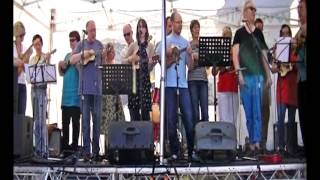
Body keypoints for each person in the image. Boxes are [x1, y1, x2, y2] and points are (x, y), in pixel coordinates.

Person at [232, 0, 272, 155]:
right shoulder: (239, 33)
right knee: (249, 111)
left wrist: (268, 76)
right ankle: (252, 139)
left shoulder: (258, 33)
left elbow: (263, 56)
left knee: (258, 111)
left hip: (258, 77)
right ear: (245, 12)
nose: (254, 11)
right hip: (245, 76)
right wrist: (238, 73)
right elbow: (235, 55)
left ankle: (256, 142)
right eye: (251, 9)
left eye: (255, 9)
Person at [70, 20, 106, 161]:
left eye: (95, 30)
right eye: (91, 30)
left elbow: (104, 63)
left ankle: (96, 152)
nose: (93, 32)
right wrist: (83, 54)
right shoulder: (81, 44)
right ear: (86, 31)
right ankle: (86, 152)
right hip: (84, 89)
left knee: (96, 121)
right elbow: (72, 60)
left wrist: (106, 55)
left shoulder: (99, 45)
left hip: (97, 89)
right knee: (85, 122)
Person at [164, 11, 196, 161]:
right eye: (178, 22)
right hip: (169, 85)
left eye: (181, 22)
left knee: (189, 118)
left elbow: (190, 66)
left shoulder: (185, 42)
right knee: (171, 120)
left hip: (183, 85)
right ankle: (175, 151)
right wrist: (173, 56)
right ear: (171, 23)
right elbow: (163, 64)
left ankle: (191, 151)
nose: (180, 25)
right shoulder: (165, 41)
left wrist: (189, 54)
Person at [271, 24, 298, 156]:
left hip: (292, 89)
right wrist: (278, 66)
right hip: (281, 90)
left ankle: (291, 147)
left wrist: (290, 65)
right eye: (283, 34)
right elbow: (273, 69)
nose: (285, 36)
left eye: (287, 33)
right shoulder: (278, 49)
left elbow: (298, 66)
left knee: (292, 120)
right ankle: (281, 147)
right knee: (280, 119)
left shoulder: (295, 49)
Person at [122, 18, 156, 121]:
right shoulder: (133, 45)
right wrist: (131, 59)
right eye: (139, 27)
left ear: (146, 29)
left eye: (143, 26)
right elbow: (123, 61)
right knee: (134, 112)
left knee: (145, 113)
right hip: (134, 80)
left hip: (145, 80)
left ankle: (145, 136)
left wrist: (152, 63)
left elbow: (149, 68)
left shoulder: (150, 46)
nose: (141, 29)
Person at [100, 42, 125, 156]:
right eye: (112, 51)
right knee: (107, 124)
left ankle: (117, 149)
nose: (113, 53)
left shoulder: (116, 65)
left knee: (117, 122)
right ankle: (107, 150)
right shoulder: (104, 65)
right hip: (107, 98)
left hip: (115, 98)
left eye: (114, 51)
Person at [58, 31, 81, 154]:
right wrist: (60, 65)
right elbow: (62, 73)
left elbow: (81, 71)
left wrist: (75, 59)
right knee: (65, 124)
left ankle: (75, 148)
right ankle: (65, 148)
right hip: (65, 96)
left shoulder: (80, 55)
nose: (71, 42)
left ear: (78, 41)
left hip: (76, 97)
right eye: (70, 40)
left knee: (76, 125)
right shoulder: (67, 55)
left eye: (73, 40)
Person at [29, 34, 51, 159]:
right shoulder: (32, 59)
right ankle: (37, 149)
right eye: (35, 44)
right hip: (33, 90)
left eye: (38, 44)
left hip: (42, 90)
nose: (37, 46)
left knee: (42, 121)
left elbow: (48, 74)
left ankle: (44, 151)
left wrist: (47, 60)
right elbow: (29, 75)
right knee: (36, 120)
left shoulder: (45, 56)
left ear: (41, 44)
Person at [211, 26, 239, 124]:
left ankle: (232, 138)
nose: (227, 38)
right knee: (223, 117)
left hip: (233, 87)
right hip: (222, 87)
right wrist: (218, 65)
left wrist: (233, 59)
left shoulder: (234, 50)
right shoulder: (219, 51)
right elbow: (213, 73)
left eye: (229, 36)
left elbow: (239, 68)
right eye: (225, 35)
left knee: (233, 118)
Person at [187, 19, 209, 122]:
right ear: (191, 30)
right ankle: (196, 136)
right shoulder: (188, 44)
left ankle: (205, 136)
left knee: (205, 111)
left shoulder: (204, 44)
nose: (197, 30)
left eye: (198, 27)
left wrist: (196, 57)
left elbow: (207, 62)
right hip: (192, 80)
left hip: (203, 80)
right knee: (195, 111)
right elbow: (190, 64)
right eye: (195, 28)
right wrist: (199, 59)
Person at [254, 17, 271, 152]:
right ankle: (255, 141)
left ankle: (263, 142)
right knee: (255, 111)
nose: (259, 30)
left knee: (265, 111)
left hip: (264, 82)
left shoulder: (264, 46)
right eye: (257, 28)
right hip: (254, 81)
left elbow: (270, 62)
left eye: (261, 28)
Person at [13, 21, 33, 115]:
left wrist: (27, 57)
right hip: (14, 83)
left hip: (22, 84)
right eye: (20, 36)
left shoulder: (25, 49)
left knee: (21, 114)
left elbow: (27, 71)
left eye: (23, 35)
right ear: (16, 35)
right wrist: (21, 61)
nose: (22, 38)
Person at [295, 0, 307, 153]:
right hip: (302, 78)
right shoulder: (300, 29)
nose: (298, 10)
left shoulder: (303, 29)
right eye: (297, 7)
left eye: (301, 7)